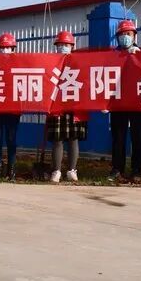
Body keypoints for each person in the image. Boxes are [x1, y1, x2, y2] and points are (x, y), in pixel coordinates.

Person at [109, 18, 141, 182]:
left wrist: (139, 59)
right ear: (118, 37)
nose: (125, 37)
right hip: (118, 102)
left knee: (138, 137)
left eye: (128, 34)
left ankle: (137, 169)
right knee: (118, 137)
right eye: (122, 34)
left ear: (134, 36)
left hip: (138, 101)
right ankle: (117, 168)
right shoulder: (112, 55)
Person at [47, 30, 87, 183]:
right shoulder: (50, 62)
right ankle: (56, 170)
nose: (63, 47)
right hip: (56, 106)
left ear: (72, 46)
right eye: (60, 44)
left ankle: (72, 170)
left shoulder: (79, 61)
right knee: (57, 139)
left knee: (73, 138)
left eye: (66, 44)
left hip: (74, 105)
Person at [0, 32, 21, 181]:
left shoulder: (19, 65)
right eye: (1, 48)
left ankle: (11, 169)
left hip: (13, 108)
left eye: (7, 48)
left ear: (13, 49)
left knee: (11, 139)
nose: (4, 50)